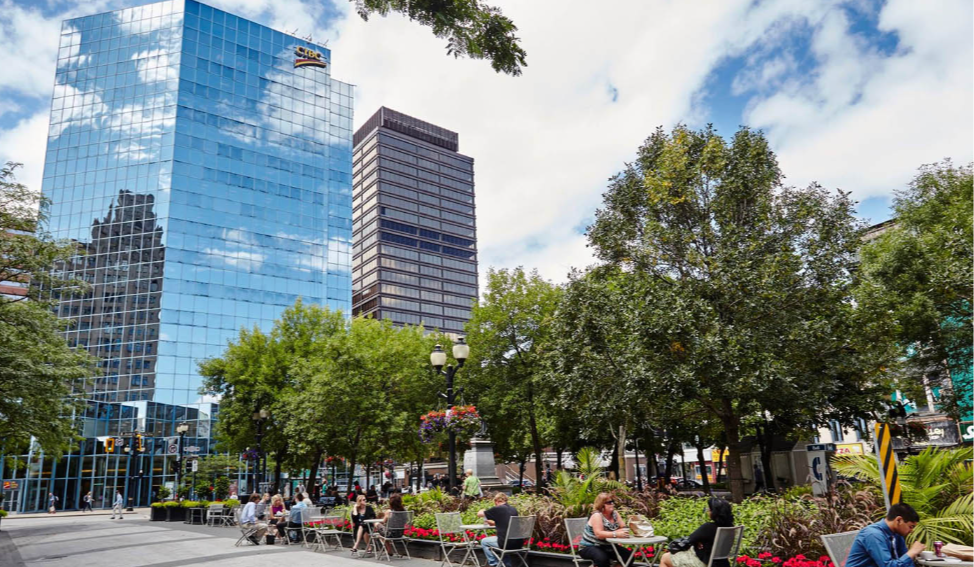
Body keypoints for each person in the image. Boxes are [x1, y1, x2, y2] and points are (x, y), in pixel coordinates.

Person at [659, 498, 734, 567]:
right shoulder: (730, 529)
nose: (708, 511)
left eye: (709, 509)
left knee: (665, 558)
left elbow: (689, 540)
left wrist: (697, 542)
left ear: (714, 513)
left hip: (705, 563)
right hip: (723, 563)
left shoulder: (708, 527)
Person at [846, 503, 925, 567]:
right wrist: (912, 552)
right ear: (899, 520)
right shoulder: (874, 535)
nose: (911, 531)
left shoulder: (897, 534)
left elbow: (906, 562)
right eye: (910, 527)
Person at [578, 493, 632, 567]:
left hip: (608, 546)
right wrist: (615, 533)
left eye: (612, 502)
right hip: (590, 546)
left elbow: (623, 527)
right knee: (602, 559)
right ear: (601, 504)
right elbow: (599, 534)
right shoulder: (597, 515)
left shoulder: (615, 514)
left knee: (628, 556)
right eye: (609, 502)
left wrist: (622, 530)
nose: (612, 504)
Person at [478, 492, 521, 567]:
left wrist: (482, 509)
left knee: (484, 541)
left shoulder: (498, 508)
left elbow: (479, 514)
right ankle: (506, 565)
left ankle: (493, 564)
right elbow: (506, 522)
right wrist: (493, 523)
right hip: (518, 543)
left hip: (506, 543)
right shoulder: (513, 509)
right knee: (502, 543)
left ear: (497, 501)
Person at [374, 493, 407, 557]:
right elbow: (405, 521)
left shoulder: (389, 511)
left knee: (377, 524)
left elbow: (383, 522)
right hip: (400, 534)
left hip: (390, 534)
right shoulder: (404, 511)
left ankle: (387, 549)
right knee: (383, 533)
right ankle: (388, 550)